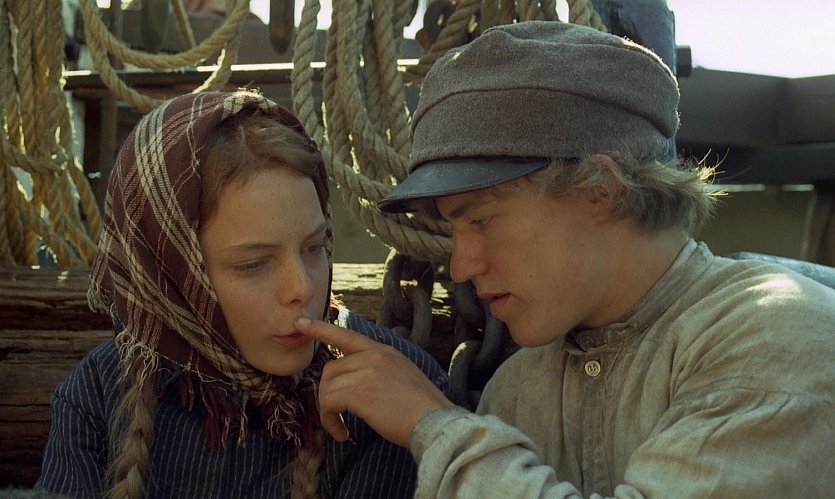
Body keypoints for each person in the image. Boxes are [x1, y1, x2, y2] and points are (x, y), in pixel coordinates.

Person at [294, 21, 835, 498]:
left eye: (481, 221)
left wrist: (432, 427)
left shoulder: (778, 339)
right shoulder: (518, 391)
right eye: (453, 229)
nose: (459, 267)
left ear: (600, 191)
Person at [35, 90, 448, 498]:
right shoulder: (101, 389)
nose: (302, 288)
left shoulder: (395, 392)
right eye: (253, 265)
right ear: (171, 274)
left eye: (314, 247)